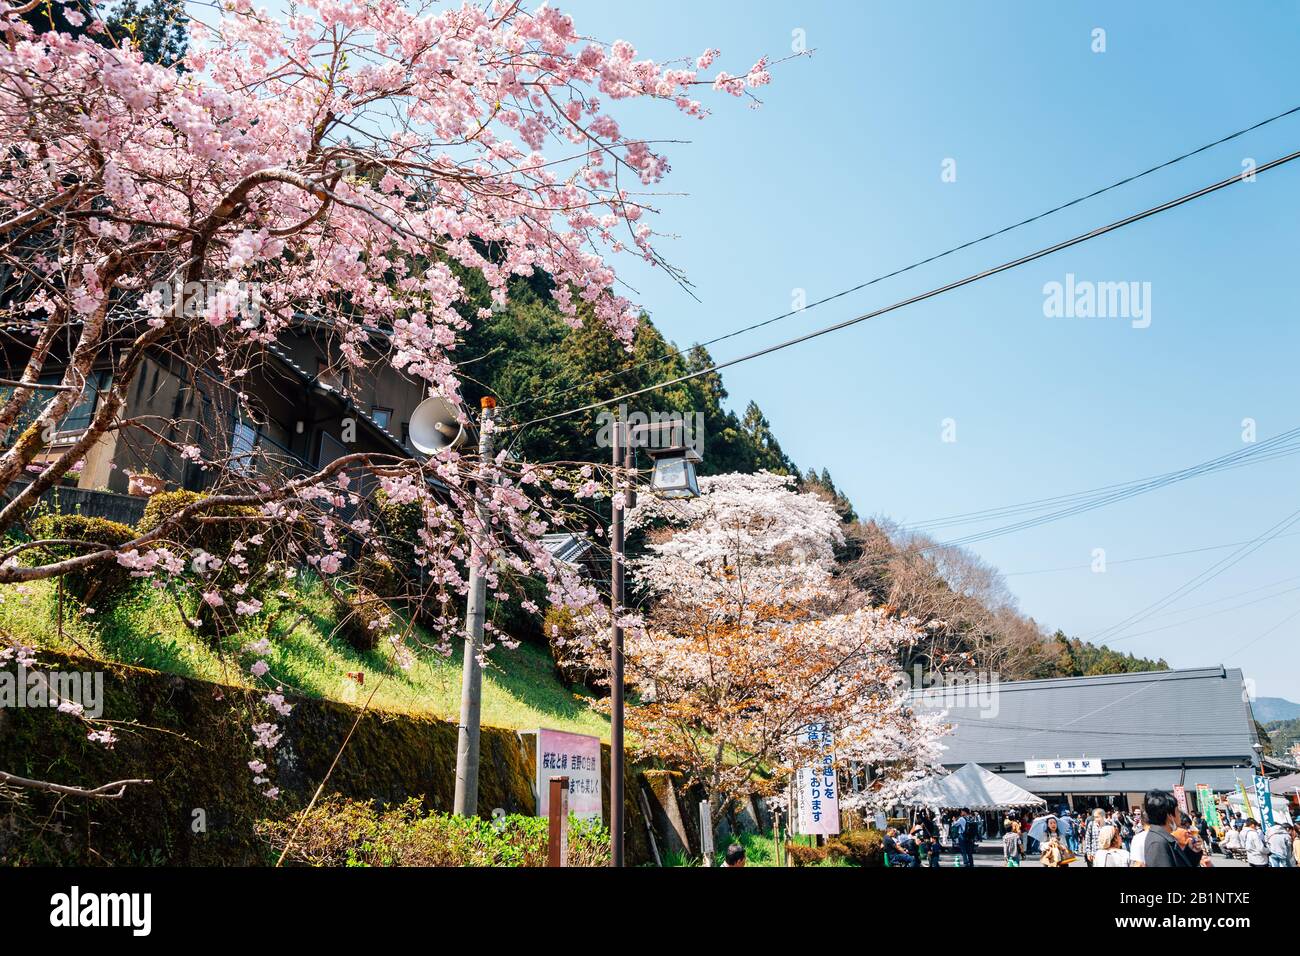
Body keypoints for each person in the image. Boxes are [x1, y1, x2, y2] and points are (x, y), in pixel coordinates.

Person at [1143, 790, 1202, 867]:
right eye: (1177, 810)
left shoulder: (1163, 838)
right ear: (1169, 815)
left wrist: (1192, 850)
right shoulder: (1158, 842)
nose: (1180, 814)